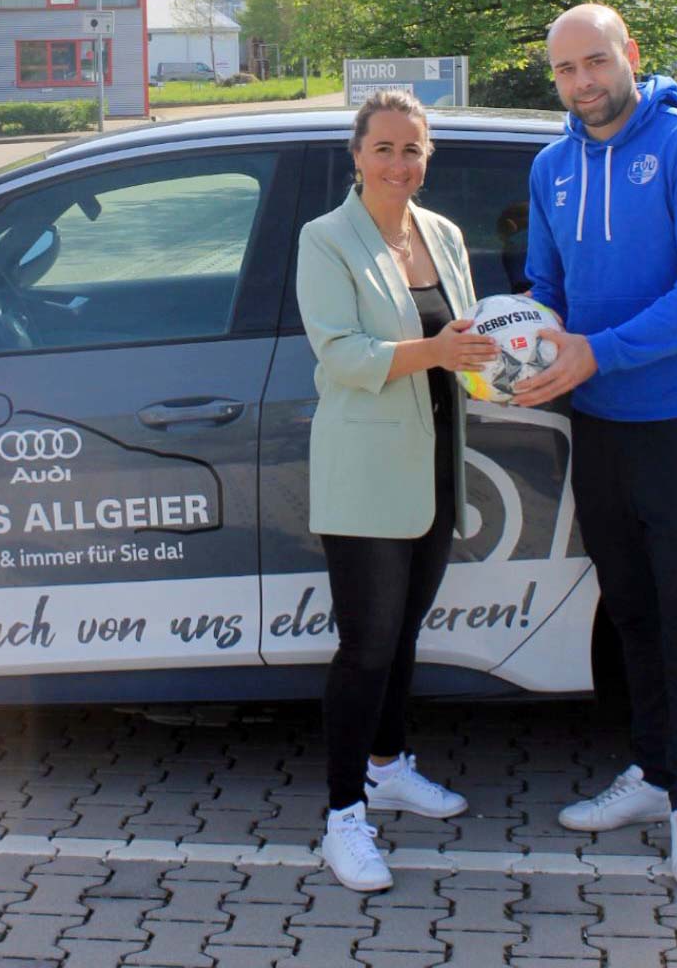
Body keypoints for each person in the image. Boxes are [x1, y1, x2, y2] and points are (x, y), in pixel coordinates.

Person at [514, 4, 677, 889]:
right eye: (565, 70)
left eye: (595, 62)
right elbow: (546, 287)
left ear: (630, 56)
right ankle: (653, 773)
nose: (582, 83)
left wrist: (596, 353)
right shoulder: (550, 166)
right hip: (599, 423)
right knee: (632, 612)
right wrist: (513, 344)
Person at [296, 90, 497, 892]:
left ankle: (387, 767)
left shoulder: (442, 234)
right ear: (355, 155)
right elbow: (342, 355)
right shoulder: (324, 238)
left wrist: (508, 364)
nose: (397, 163)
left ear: (426, 157)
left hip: (435, 467)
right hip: (363, 473)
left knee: (404, 633)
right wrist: (436, 351)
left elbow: (466, 342)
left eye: (411, 149)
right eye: (382, 148)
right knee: (366, 648)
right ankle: (343, 817)